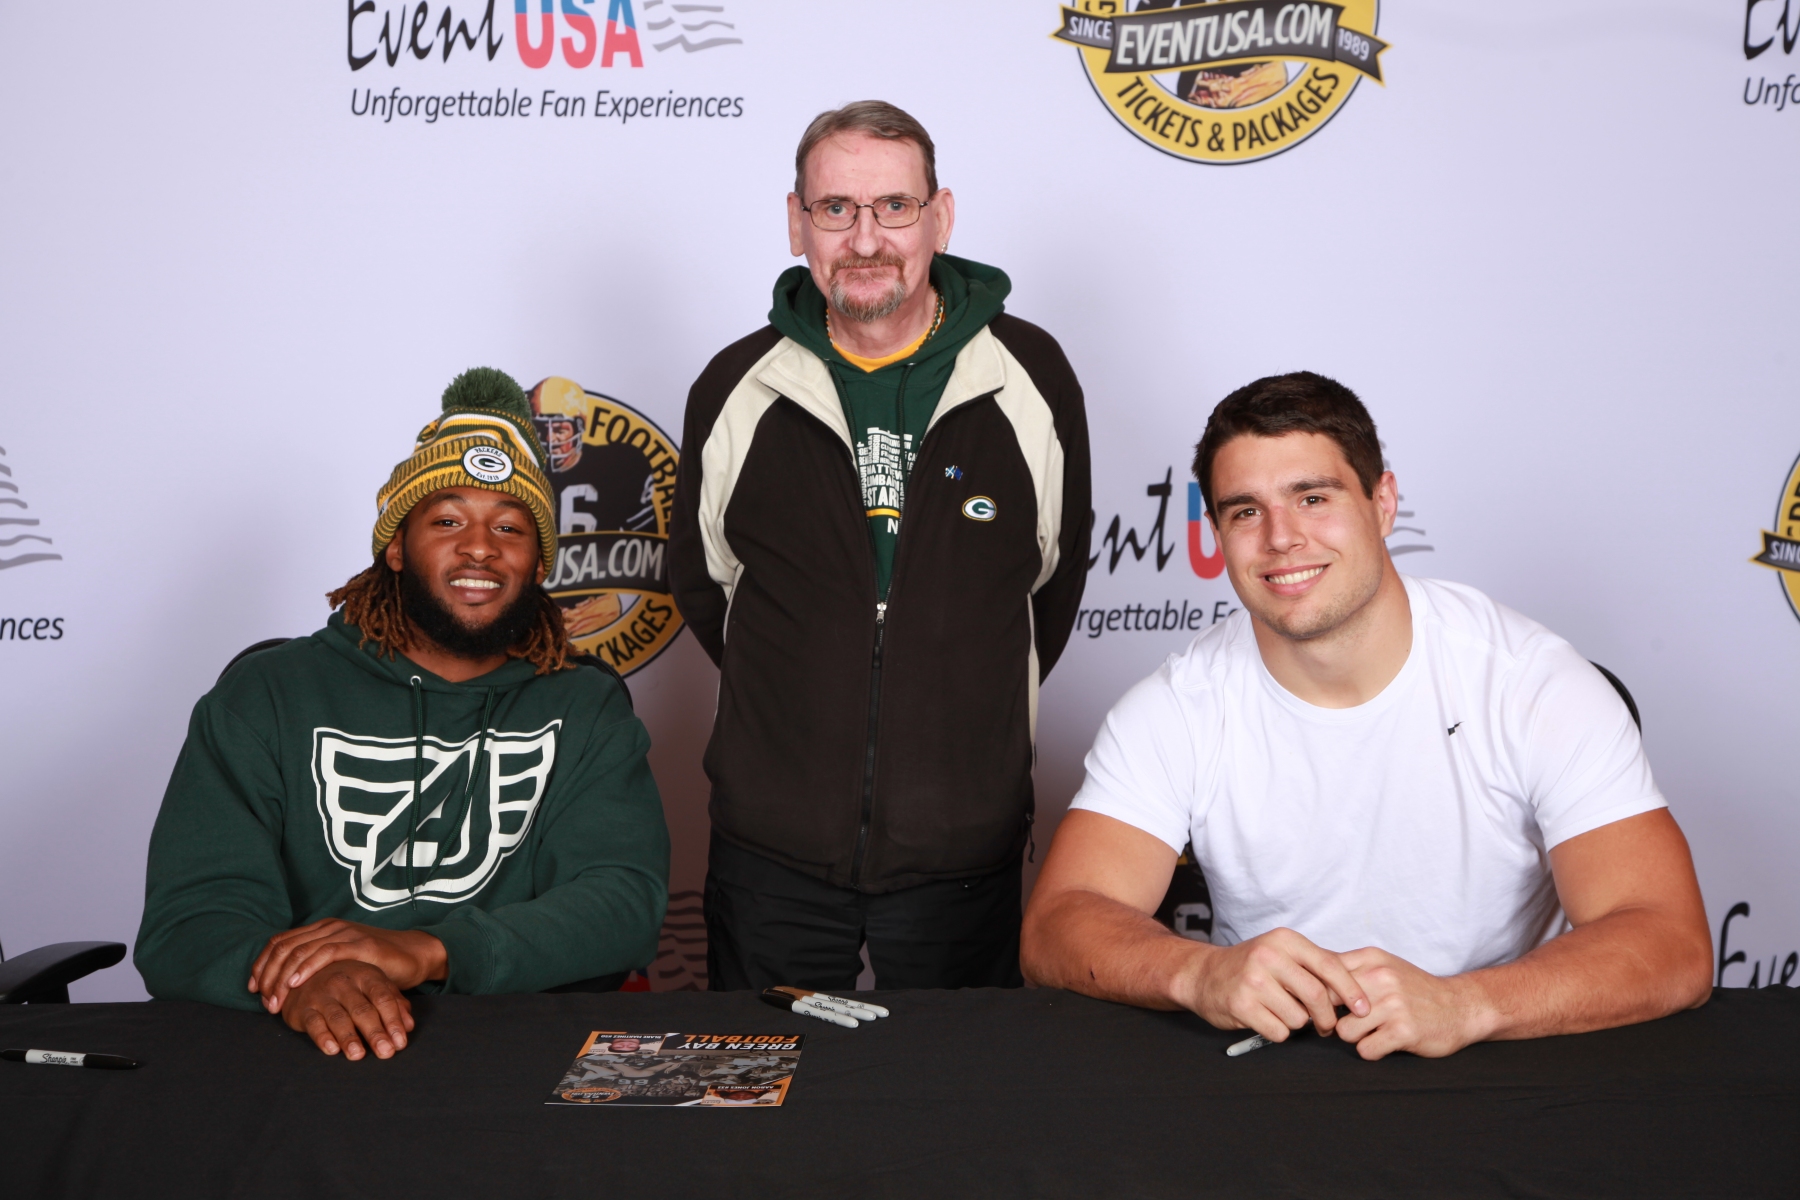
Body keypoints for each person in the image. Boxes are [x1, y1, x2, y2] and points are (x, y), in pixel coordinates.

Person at [1020, 371, 1712, 1059]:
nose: (1281, 538)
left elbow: (1671, 941)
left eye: (1313, 498)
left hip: (1496, 1057)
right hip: (1269, 1065)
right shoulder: (1178, 706)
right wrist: (1200, 973)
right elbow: (1057, 922)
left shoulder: (1529, 681)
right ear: (1218, 534)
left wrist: (1466, 1005)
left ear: (1383, 503)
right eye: (1245, 512)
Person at [669, 101, 1091, 991]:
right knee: (765, 1078)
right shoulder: (734, 386)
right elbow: (708, 589)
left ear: (940, 217)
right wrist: (813, 690)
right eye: (836, 209)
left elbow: (1047, 587)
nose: (866, 239)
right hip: (771, 856)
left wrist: (948, 699)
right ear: (798, 224)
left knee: (953, 1084)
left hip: (962, 854)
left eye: (894, 206)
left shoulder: (1032, 376)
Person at [135, 368, 670, 1060]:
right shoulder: (267, 694)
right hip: (305, 1050)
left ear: (539, 564)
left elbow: (621, 902)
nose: (480, 546)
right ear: (394, 547)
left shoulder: (584, 704)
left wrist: (425, 951)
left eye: (509, 527)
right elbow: (189, 922)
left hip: (516, 1050)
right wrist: (307, 983)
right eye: (447, 521)